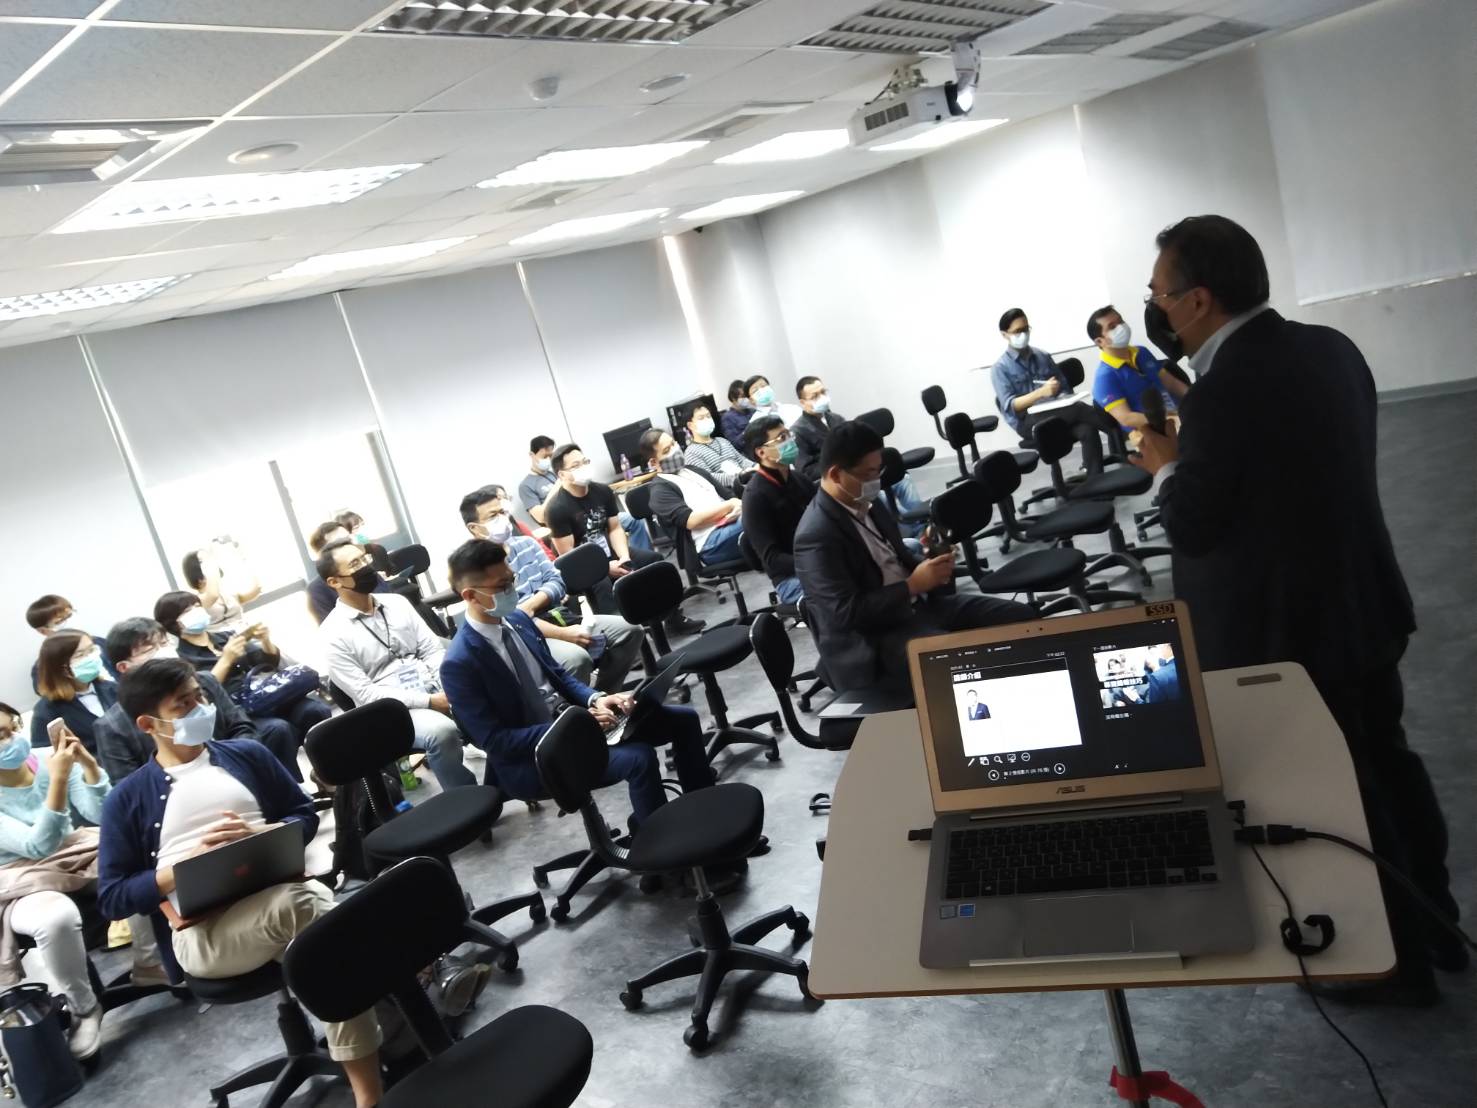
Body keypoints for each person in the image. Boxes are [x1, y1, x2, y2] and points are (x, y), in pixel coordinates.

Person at [1132, 213, 1459, 999]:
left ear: (1197, 300)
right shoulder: (1329, 348)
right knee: (1389, 761)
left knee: (1342, 796)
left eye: (1160, 293)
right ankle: (1439, 925)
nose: (1153, 307)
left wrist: (1166, 463)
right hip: (1363, 603)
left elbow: (1194, 524)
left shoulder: (1221, 396)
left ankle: (1391, 967)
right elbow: (1293, 470)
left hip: (1289, 637)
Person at [96, 660, 381, 1106]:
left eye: (200, 696)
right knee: (314, 909)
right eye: (183, 704)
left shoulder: (247, 755)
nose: (200, 708)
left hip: (279, 896)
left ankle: (379, 1058)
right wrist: (183, 865)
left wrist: (262, 834)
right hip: (206, 934)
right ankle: (395, 1018)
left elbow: (303, 815)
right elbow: (112, 897)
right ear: (148, 724)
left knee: (321, 938)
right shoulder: (127, 798)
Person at [438, 539, 716, 830]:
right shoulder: (460, 663)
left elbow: (558, 675)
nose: (512, 590)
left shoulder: (517, 619)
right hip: (535, 757)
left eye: (512, 580)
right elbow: (497, 742)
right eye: (502, 585)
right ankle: (663, 848)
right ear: (471, 595)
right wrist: (577, 726)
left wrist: (595, 698)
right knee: (639, 758)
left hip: (574, 726)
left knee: (683, 720)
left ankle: (707, 817)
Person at [793, 422, 1033, 695]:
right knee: (962, 661)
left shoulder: (867, 502)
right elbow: (844, 614)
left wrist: (930, 561)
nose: (876, 480)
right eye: (869, 473)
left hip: (919, 607)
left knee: (1022, 620)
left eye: (878, 470)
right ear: (836, 474)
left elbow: (896, 559)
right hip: (875, 638)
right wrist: (912, 585)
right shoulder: (816, 535)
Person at [0, 707, 162, 1060]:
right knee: (55, 918)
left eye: (13, 729)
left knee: (134, 857)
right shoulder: (53, 769)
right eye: (1, 736)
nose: (12, 740)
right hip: (19, 875)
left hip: (73, 851)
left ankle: (150, 963)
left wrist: (88, 766)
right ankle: (85, 1008)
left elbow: (100, 813)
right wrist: (59, 780)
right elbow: (36, 846)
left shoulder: (47, 758)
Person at [317, 540, 475, 791]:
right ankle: (467, 798)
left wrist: (446, 685)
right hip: (392, 712)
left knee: (487, 694)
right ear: (334, 581)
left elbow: (431, 648)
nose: (366, 567)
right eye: (355, 564)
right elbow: (366, 695)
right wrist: (429, 701)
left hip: (434, 686)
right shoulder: (331, 634)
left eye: (365, 559)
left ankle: (510, 774)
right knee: (442, 732)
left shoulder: (397, 603)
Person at [460, 485, 643, 692]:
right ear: (474, 528)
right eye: (493, 515)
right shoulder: (476, 570)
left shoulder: (526, 544)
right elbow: (509, 619)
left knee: (630, 631)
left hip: (558, 615)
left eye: (502, 511)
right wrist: (561, 632)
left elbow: (557, 581)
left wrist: (531, 605)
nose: (502, 518)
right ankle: (580, 709)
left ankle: (602, 697)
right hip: (524, 636)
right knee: (576, 659)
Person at [95, 618, 301, 783]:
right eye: (149, 649)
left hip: (237, 771)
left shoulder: (204, 681)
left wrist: (230, 765)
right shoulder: (112, 727)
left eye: (164, 643)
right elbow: (130, 787)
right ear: (124, 667)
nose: (162, 651)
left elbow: (241, 727)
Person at [153, 591, 328, 768]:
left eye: (197, 606)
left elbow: (269, 663)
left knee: (315, 710)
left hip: (270, 696)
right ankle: (286, 780)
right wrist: (226, 659)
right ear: (173, 623)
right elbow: (202, 692)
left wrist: (265, 640)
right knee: (277, 729)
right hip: (239, 711)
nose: (197, 611)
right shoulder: (183, 660)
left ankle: (328, 768)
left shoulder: (227, 637)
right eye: (188, 610)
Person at [541, 447, 702, 633]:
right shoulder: (557, 509)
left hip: (608, 552)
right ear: (562, 474)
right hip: (583, 567)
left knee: (654, 562)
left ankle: (672, 619)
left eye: (585, 462)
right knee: (601, 584)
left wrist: (624, 556)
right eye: (576, 466)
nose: (583, 467)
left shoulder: (602, 491)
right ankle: (623, 636)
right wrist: (603, 568)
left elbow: (615, 528)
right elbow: (570, 557)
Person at [791, 375, 928, 533]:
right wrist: (841, 465)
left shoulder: (836, 419)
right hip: (842, 482)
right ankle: (919, 530)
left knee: (903, 480)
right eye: (815, 396)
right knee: (879, 497)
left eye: (823, 392)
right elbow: (806, 471)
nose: (821, 398)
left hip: (860, 471)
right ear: (803, 402)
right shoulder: (799, 431)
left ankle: (924, 523)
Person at [990, 308, 1111, 468]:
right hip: (1027, 421)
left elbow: (1064, 387)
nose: (1023, 334)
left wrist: (1061, 394)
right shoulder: (1000, 368)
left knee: (1087, 429)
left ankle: (1095, 479)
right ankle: (1122, 431)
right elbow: (1011, 406)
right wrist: (1040, 393)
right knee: (1080, 409)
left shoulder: (1042, 356)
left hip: (1055, 411)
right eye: (1018, 331)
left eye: (1026, 329)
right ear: (1004, 334)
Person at [520, 434, 654, 550]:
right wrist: (560, 483)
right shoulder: (527, 485)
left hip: (590, 511)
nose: (549, 460)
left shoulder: (552, 474)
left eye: (551, 455)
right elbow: (540, 516)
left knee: (631, 520)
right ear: (532, 455)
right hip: (567, 526)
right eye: (545, 456)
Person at [638, 429, 746, 568]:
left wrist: (738, 506)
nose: (675, 450)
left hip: (732, 522)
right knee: (758, 516)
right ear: (653, 462)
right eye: (667, 450)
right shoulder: (660, 490)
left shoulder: (693, 470)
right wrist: (730, 505)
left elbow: (728, 495)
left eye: (673, 444)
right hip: (709, 542)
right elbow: (691, 521)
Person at [741, 415, 814, 605]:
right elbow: (772, 560)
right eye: (781, 438)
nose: (789, 441)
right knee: (844, 582)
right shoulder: (755, 496)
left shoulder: (798, 479)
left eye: (788, 435)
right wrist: (816, 561)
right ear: (762, 452)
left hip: (816, 559)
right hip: (790, 579)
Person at [1087, 304, 1188, 432]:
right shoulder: (1105, 377)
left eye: (1120, 321)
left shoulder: (1141, 352)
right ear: (1100, 342)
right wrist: (1169, 420)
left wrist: (1195, 395)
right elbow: (1126, 418)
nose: (1121, 327)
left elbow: (1170, 382)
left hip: (1177, 414)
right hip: (1149, 430)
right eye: (1112, 327)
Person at [30, 632, 116, 757]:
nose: (90, 657)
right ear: (61, 667)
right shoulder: (46, 712)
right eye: (80, 655)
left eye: (91, 650)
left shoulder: (113, 688)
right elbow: (47, 758)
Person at [24, 595, 107, 692]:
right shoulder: (42, 670)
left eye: (70, 615)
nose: (69, 622)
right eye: (59, 621)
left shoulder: (100, 643)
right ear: (43, 631)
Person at [181, 544, 260, 635]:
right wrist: (209, 562)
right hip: (222, 642)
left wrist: (242, 557)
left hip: (245, 637)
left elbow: (256, 589)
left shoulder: (228, 595)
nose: (210, 562)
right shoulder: (196, 602)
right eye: (203, 561)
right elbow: (212, 595)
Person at [682, 403, 754, 493]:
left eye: (708, 416)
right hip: (729, 494)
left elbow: (741, 460)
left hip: (747, 484)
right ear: (690, 425)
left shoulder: (722, 440)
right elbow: (708, 479)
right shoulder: (691, 453)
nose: (707, 420)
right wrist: (740, 476)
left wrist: (755, 467)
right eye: (701, 418)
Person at [719, 379, 754, 452]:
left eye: (747, 396)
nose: (747, 399)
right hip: (748, 452)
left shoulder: (752, 411)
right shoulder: (727, 418)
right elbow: (734, 444)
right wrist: (750, 429)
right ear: (733, 398)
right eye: (743, 396)